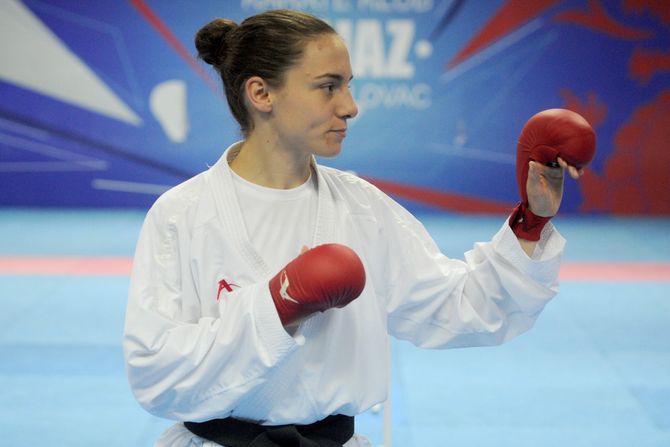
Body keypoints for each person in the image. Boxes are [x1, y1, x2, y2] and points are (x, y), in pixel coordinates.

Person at [123, 9, 592, 447]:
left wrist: (533, 219)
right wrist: (278, 304)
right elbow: (156, 373)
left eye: (348, 86)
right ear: (261, 93)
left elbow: (459, 307)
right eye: (328, 87)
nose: (350, 107)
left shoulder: (360, 208)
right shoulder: (182, 214)